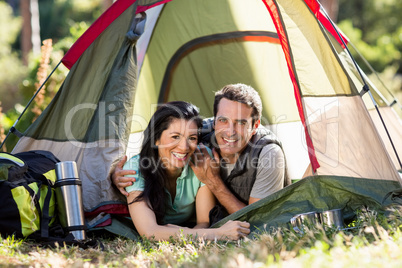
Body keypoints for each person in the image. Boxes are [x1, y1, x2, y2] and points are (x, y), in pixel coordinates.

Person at [113, 84, 286, 222]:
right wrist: (116, 175)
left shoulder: (268, 154)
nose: (229, 131)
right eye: (223, 120)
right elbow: (158, 143)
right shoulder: (197, 132)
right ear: (214, 120)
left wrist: (213, 181)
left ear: (255, 126)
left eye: (240, 123)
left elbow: (261, 221)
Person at [120, 101, 250, 240]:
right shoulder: (135, 169)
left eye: (192, 138)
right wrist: (219, 233)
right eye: (175, 137)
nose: (184, 147)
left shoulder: (202, 158)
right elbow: (149, 232)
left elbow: (203, 223)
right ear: (156, 140)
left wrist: (181, 232)